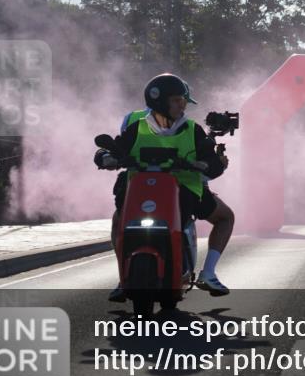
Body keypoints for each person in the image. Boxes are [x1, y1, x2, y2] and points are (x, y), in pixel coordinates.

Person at [96, 73, 234, 298]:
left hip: (185, 195)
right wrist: (105, 157)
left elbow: (211, 161)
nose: (183, 105)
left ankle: (207, 273)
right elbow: (115, 148)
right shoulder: (137, 128)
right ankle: (124, 278)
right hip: (140, 194)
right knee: (118, 219)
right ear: (161, 102)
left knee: (226, 216)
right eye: (177, 100)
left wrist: (209, 164)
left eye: (182, 100)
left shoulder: (193, 129)